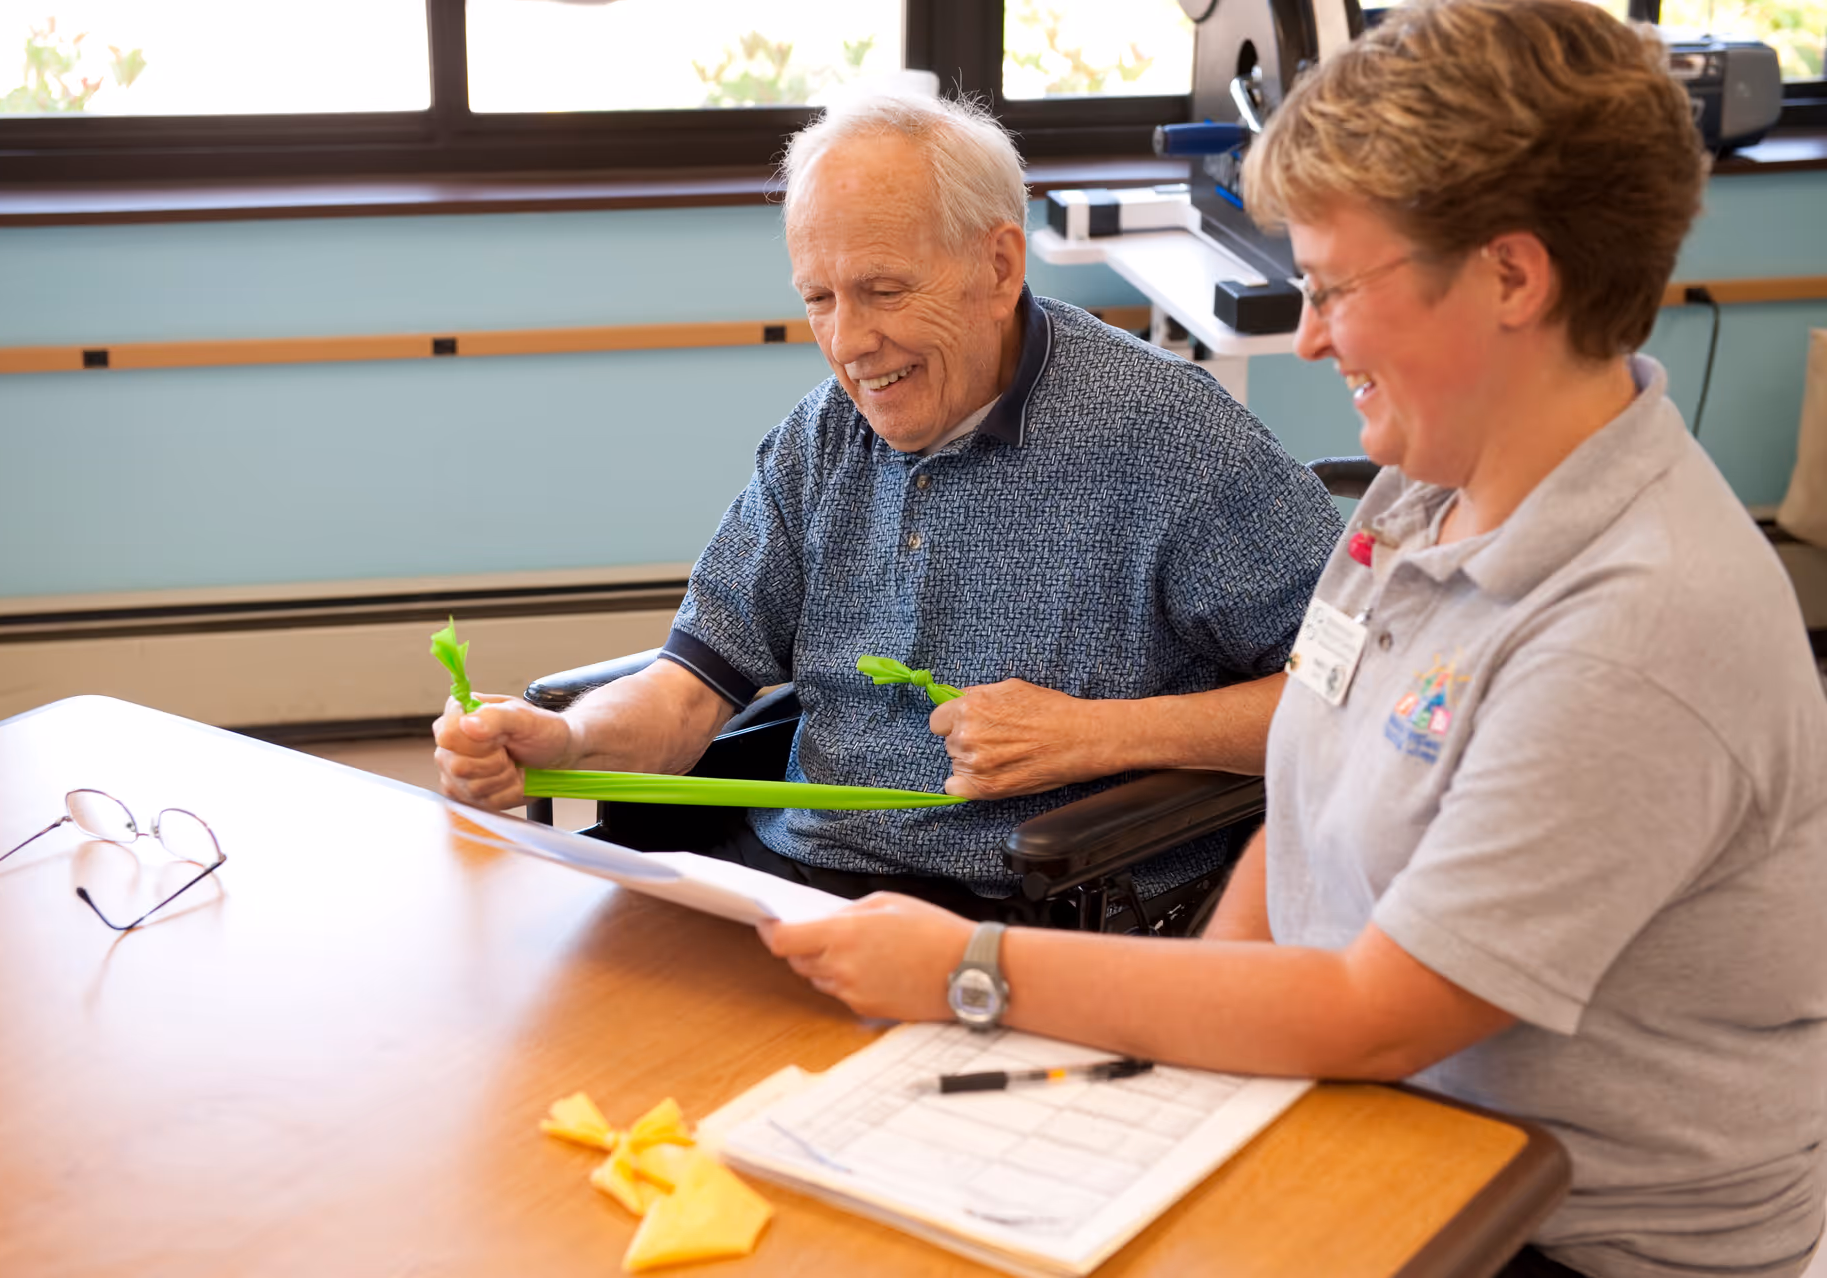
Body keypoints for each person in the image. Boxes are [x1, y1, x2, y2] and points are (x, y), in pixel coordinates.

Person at [756, 2, 1827, 1274]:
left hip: (1558, 1227)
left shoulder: (1639, 629)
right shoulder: (1422, 492)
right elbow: (1305, 784)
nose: (1310, 335)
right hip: (1361, 1119)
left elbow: (1380, 1014)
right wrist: (1175, 1073)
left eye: (1335, 288)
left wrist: (969, 970)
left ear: (1512, 276)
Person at [433, 91, 1342, 922]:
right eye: (819, 300)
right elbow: (685, 695)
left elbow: (1357, 696)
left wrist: (1097, 735)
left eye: (883, 291)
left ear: (997, 264)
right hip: (800, 879)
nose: (848, 344)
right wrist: (563, 737)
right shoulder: (823, 437)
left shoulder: (1171, 438)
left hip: (1032, 905)